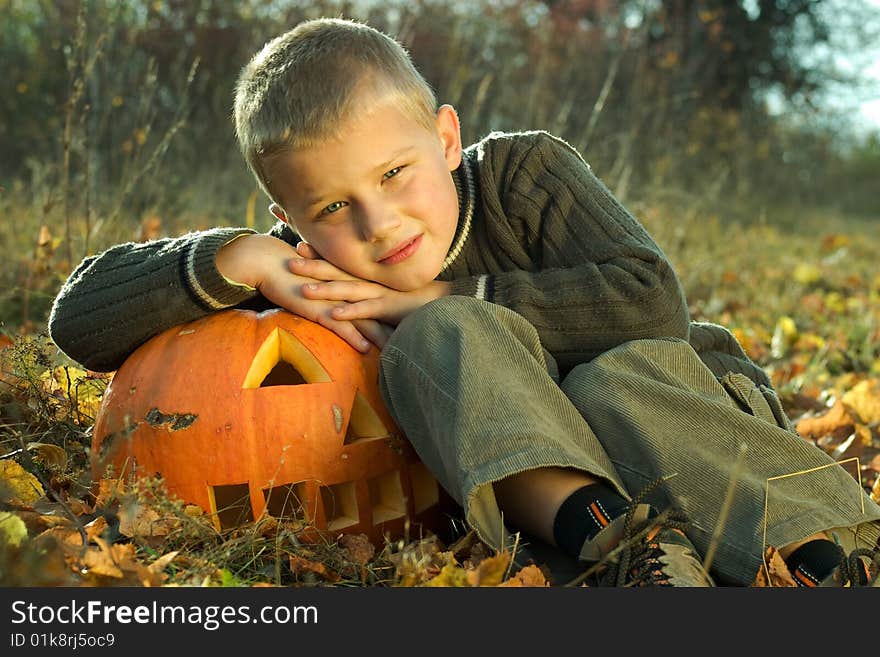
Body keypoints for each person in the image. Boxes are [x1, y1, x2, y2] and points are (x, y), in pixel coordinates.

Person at [49, 17, 880, 587]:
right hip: (585, 510)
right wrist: (239, 258)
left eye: (393, 174)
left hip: (703, 434)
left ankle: (821, 565)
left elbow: (652, 299)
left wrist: (434, 295)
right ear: (290, 217)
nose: (376, 224)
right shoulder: (312, 272)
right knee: (442, 337)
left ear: (445, 138)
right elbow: (76, 320)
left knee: (606, 378)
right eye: (331, 209)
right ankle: (621, 554)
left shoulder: (524, 176)